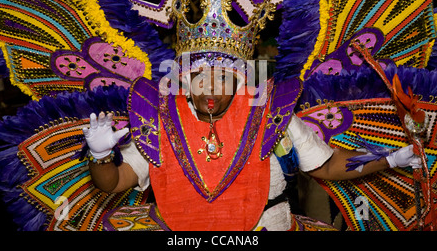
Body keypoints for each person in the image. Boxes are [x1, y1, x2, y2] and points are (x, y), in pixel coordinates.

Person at [83, 63, 421, 231]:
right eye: (200, 77)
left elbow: (328, 165)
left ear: (240, 78)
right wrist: (100, 157)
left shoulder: (272, 114)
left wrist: (390, 159)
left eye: (222, 78)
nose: (210, 89)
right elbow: (114, 183)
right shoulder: (159, 120)